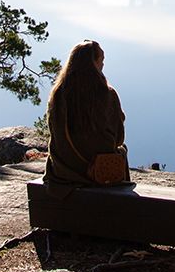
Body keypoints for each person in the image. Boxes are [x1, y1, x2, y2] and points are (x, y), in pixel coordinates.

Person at [45, 39, 130, 189]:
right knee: (121, 150)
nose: (103, 64)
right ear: (93, 63)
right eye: (101, 60)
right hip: (97, 173)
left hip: (62, 172)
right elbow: (118, 138)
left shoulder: (58, 94)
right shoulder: (106, 94)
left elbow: (54, 130)